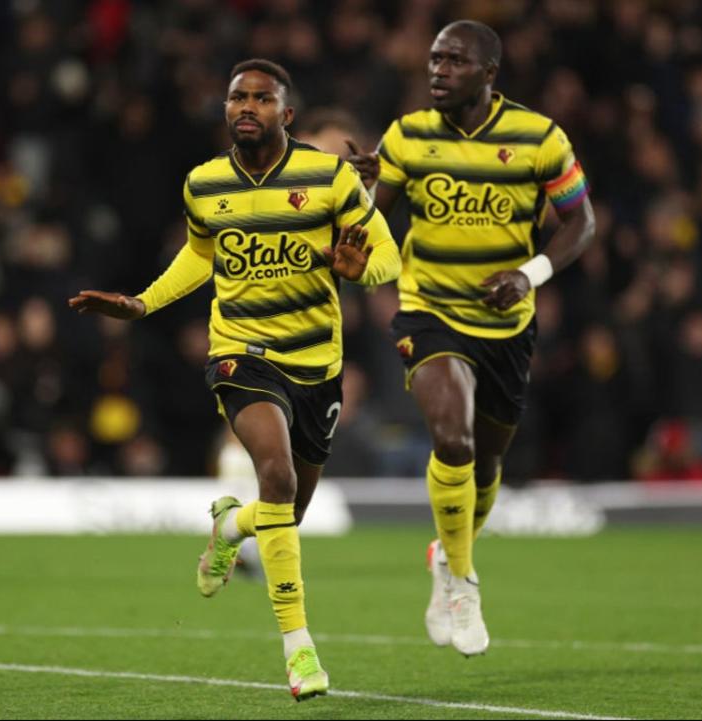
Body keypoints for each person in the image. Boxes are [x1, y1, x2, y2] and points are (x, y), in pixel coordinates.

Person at [68, 59, 400, 700]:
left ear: (287, 113)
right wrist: (142, 304)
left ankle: (232, 526)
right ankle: (300, 652)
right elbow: (201, 253)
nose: (247, 106)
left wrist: (362, 271)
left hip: (316, 364)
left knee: (288, 511)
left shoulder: (328, 177)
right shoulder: (203, 184)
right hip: (240, 353)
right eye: (236, 97)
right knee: (274, 476)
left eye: (261, 98)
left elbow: (385, 252)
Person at [347, 21, 595, 657]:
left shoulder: (540, 138)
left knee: (485, 468)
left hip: (507, 324)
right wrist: (361, 190)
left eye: (454, 62)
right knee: (451, 439)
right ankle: (463, 581)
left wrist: (529, 272)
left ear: (489, 73)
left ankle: (445, 555)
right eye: (434, 59)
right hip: (429, 309)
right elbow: (374, 220)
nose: (438, 71)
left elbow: (581, 223)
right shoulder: (406, 135)